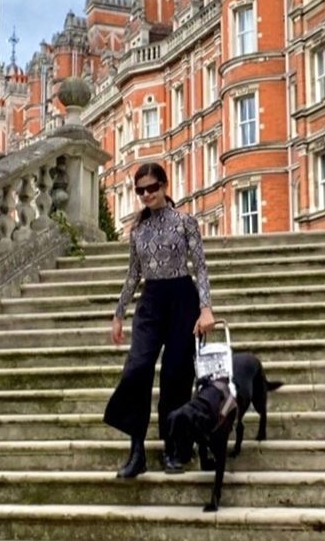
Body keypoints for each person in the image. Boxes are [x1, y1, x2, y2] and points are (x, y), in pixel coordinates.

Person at [104, 162, 215, 479]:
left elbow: (201, 268)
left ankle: (174, 447)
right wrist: (118, 313)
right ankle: (136, 450)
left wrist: (206, 308)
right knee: (136, 370)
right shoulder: (138, 230)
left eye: (152, 187)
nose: (147, 194)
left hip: (183, 297)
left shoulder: (186, 223)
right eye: (140, 190)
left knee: (176, 375)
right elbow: (133, 275)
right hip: (150, 302)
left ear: (165, 186)